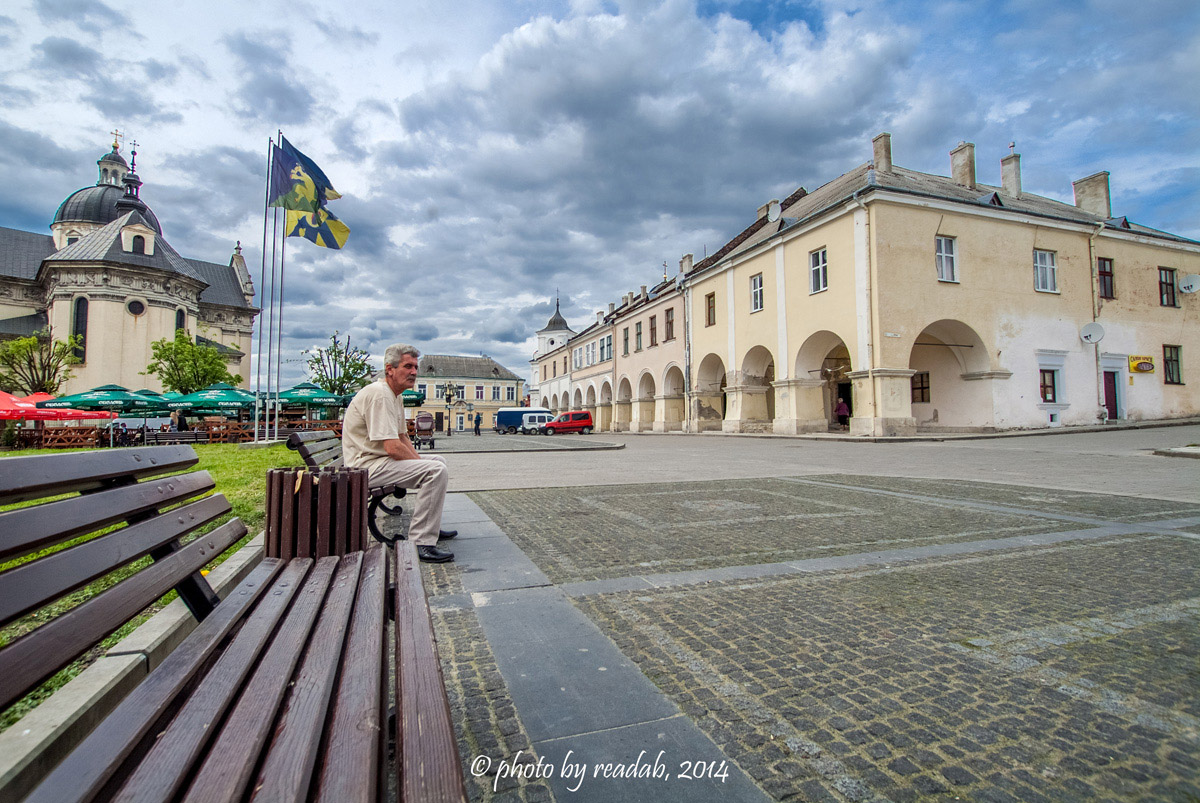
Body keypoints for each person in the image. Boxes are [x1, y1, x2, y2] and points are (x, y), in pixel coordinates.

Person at [343, 343, 458, 563]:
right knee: (434, 470)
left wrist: (419, 463)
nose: (414, 372)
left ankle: (429, 526)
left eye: (416, 367)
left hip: (377, 463)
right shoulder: (380, 395)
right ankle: (421, 542)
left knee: (437, 461)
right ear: (390, 369)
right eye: (408, 366)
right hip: (364, 468)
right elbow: (392, 447)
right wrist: (421, 466)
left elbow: (403, 438)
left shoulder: (394, 394)